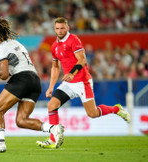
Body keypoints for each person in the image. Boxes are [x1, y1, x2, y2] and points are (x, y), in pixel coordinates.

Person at [36, 17, 131, 149]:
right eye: (57, 28)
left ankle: (116, 109)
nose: (60, 30)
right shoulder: (54, 46)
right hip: (68, 83)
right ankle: (53, 139)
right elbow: (55, 67)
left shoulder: (73, 40)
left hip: (82, 81)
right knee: (52, 105)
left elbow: (82, 60)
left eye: (62, 28)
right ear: (54, 29)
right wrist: (51, 87)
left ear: (67, 28)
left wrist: (72, 73)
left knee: (92, 113)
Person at [0, 17, 64, 154]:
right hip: (34, 80)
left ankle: (1, 144)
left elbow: (4, 75)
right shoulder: (17, 43)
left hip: (21, 79)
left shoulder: (2, 47)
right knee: (21, 120)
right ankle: (53, 128)